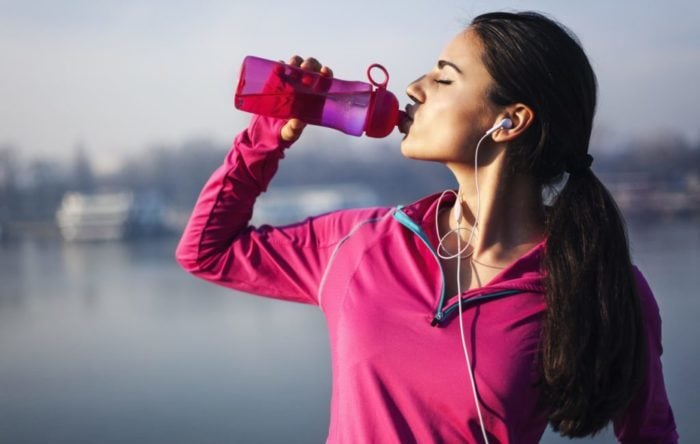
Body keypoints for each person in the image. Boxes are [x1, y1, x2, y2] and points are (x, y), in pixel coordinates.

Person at [176, 11, 678, 443]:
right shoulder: (363, 243)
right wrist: (270, 132)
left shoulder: (597, 282)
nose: (413, 88)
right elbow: (207, 251)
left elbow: (650, 435)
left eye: (444, 78)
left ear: (510, 120)